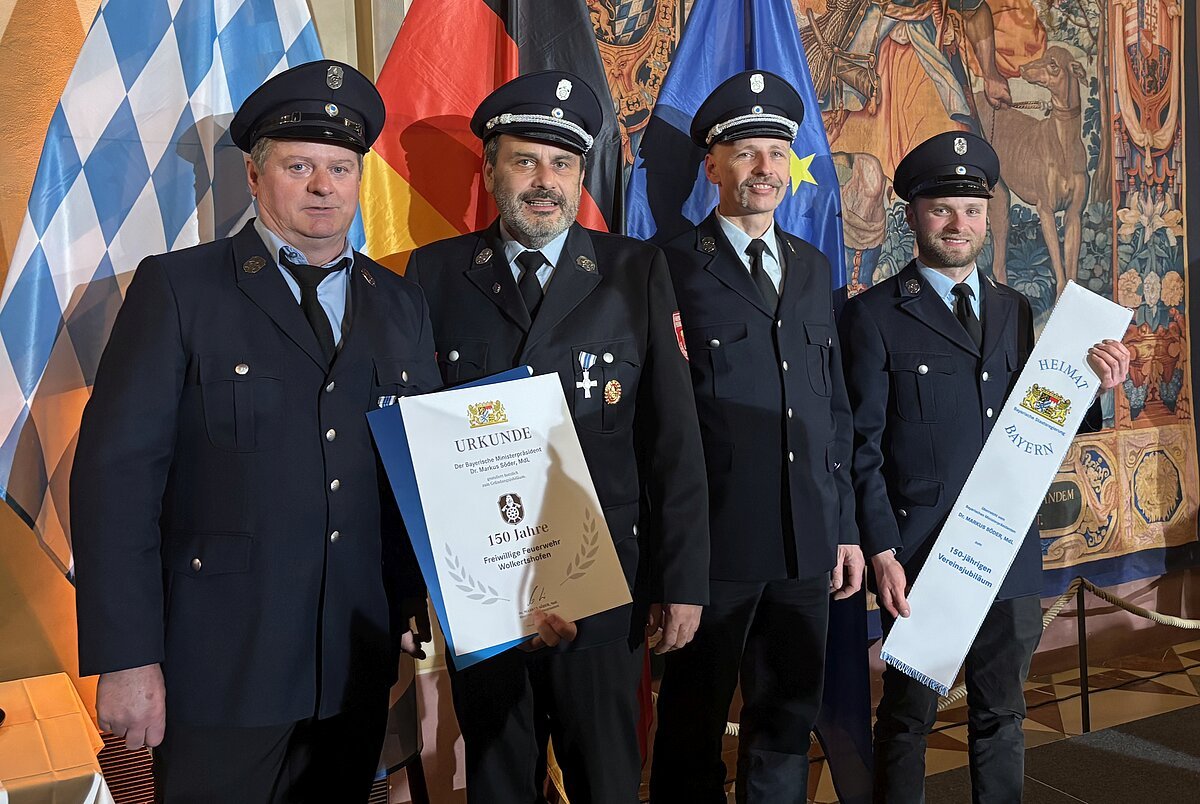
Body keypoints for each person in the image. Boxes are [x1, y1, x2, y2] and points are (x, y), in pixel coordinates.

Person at [72, 61, 441, 801]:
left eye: (341, 168)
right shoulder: (179, 289)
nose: (323, 185)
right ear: (253, 174)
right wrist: (127, 656)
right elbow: (117, 482)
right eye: (298, 165)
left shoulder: (401, 303)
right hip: (220, 666)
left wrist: (410, 597)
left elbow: (412, 466)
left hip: (353, 658)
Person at [405, 70, 710, 803]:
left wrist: (681, 581)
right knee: (498, 783)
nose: (546, 181)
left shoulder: (634, 270)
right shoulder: (435, 274)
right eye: (526, 161)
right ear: (490, 171)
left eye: (563, 164)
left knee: (607, 781)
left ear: (580, 177)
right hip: (485, 594)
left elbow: (673, 440)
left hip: (603, 587)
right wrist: (415, 586)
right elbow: (415, 444)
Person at [838, 131, 1130, 804]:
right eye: (941, 209)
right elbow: (862, 448)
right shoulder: (872, 317)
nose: (959, 224)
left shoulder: (1012, 308)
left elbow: (1035, 416)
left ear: (987, 216)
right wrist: (882, 549)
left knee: (1002, 714)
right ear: (912, 215)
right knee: (907, 720)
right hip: (922, 553)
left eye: (972, 210)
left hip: (1006, 548)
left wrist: (1093, 387)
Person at [648, 70, 864, 804]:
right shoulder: (670, 266)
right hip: (715, 549)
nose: (765, 168)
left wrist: (843, 526)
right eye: (745, 152)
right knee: (691, 729)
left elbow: (832, 409)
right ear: (712, 166)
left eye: (777, 152)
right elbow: (661, 421)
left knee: (784, 728)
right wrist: (674, 566)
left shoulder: (812, 266)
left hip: (805, 542)